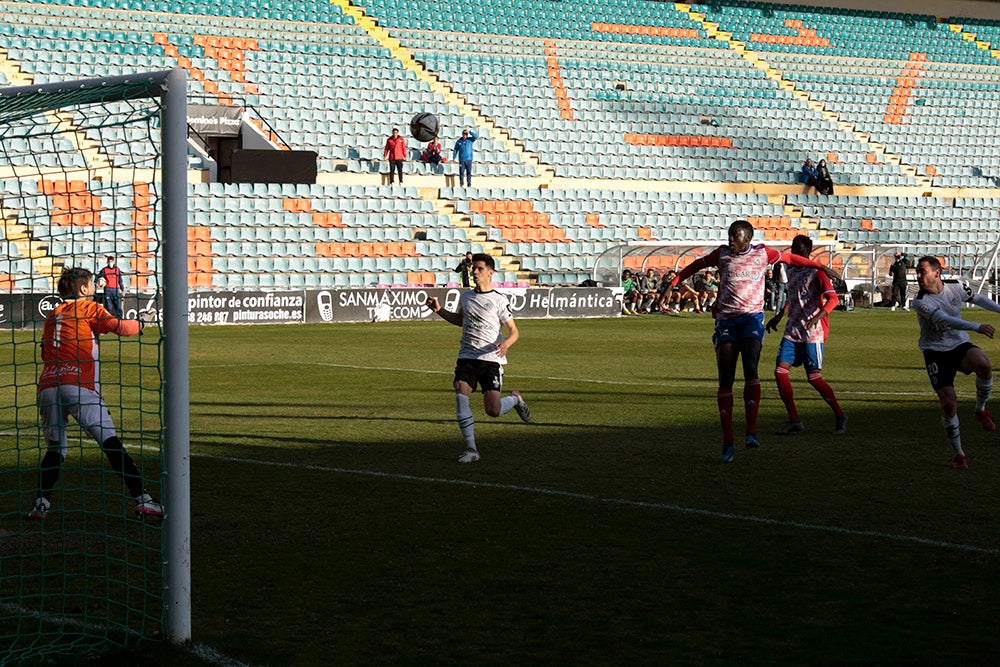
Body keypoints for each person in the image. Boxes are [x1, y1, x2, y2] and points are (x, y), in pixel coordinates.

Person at [668, 220, 840, 463]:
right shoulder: (722, 254)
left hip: (751, 320)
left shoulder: (763, 253)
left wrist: (821, 266)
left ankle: (751, 432)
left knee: (751, 369)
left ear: (747, 238)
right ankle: (728, 441)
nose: (730, 241)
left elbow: (792, 259)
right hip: (727, 321)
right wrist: (675, 281)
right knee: (726, 378)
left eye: (734, 237)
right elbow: (697, 264)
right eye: (729, 236)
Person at [27, 267, 162, 520]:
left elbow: (45, 352)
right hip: (78, 384)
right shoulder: (88, 308)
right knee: (110, 443)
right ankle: (144, 500)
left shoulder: (52, 314)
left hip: (47, 385)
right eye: (91, 284)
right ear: (82, 289)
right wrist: (143, 321)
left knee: (55, 448)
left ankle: (41, 504)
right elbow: (122, 328)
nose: (95, 287)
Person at [425, 254, 530, 463]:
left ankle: (515, 399)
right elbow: (460, 320)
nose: (475, 272)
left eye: (479, 269)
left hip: (491, 358)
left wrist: (506, 344)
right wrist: (439, 310)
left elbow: (514, 331)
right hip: (467, 356)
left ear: (490, 272)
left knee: (493, 410)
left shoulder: (499, 300)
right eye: (474, 269)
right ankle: (471, 449)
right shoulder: (466, 297)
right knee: (460, 392)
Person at [912, 256, 1000, 469]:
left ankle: (980, 410)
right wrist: (975, 326)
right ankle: (959, 455)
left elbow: (978, 299)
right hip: (935, 352)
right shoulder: (921, 300)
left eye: (922, 271)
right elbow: (942, 319)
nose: (918, 276)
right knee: (949, 404)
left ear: (937, 273)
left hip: (958, 345)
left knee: (984, 366)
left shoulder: (956, 287)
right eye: (917, 271)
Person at [765, 235, 848, 436]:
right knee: (780, 371)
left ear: (807, 252)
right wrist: (779, 316)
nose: (795, 252)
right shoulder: (790, 269)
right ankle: (794, 419)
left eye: (799, 250)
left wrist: (818, 316)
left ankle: (839, 414)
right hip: (793, 329)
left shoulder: (817, 273)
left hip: (812, 332)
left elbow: (833, 299)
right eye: (794, 248)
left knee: (813, 377)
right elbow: (793, 298)